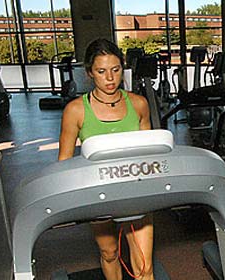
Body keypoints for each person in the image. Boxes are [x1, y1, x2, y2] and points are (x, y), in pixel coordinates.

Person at [58, 38, 154, 280]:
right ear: (90, 73)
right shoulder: (76, 110)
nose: (110, 78)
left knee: (144, 266)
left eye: (115, 70)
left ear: (123, 69)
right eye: (101, 71)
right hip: (97, 192)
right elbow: (65, 161)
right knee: (110, 252)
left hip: (135, 190)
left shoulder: (139, 104)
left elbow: (150, 154)